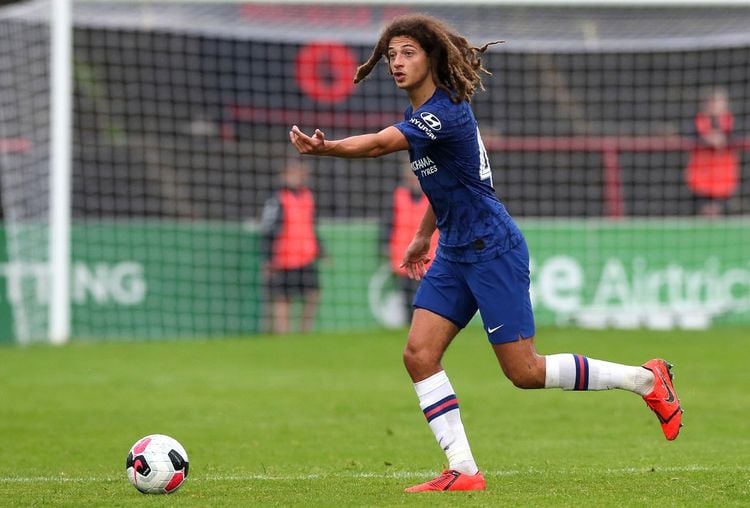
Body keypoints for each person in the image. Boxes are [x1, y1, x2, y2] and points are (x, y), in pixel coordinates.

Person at [289, 14, 683, 492]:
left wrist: (328, 149)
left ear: (431, 57)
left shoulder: (444, 114)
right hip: (455, 250)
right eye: (391, 55)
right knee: (418, 354)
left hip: (493, 248)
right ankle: (464, 470)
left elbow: (377, 145)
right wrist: (422, 235)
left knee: (525, 371)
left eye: (408, 53)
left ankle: (645, 380)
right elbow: (448, 184)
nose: (396, 62)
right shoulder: (427, 117)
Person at [259, 160, 324, 334]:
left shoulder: (307, 196)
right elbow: (268, 229)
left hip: (306, 256)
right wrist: (268, 259)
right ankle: (283, 336)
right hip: (284, 258)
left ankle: (304, 333)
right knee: (283, 299)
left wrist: (321, 249)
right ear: (284, 175)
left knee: (313, 295)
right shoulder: (276, 199)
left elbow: (312, 225)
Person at [380, 160, 438, 324]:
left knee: (428, 298)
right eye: (410, 174)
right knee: (408, 298)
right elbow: (387, 224)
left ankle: (427, 327)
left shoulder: (433, 196)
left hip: (430, 258)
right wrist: (384, 245)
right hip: (403, 257)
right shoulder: (397, 196)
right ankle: (410, 326)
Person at [684, 87, 740, 217]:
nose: (715, 106)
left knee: (718, 215)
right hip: (700, 179)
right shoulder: (696, 121)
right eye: (712, 102)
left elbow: (738, 136)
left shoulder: (734, 122)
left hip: (724, 179)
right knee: (704, 214)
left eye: (719, 102)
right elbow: (687, 135)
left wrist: (723, 139)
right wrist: (706, 139)